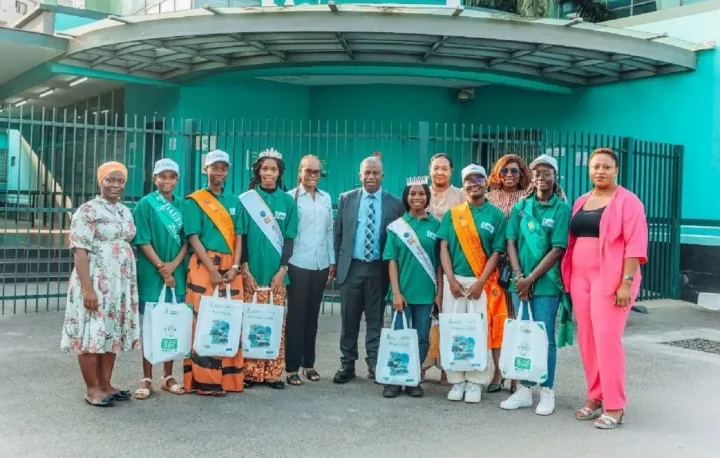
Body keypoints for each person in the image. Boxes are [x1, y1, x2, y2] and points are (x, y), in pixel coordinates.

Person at [562, 147, 648, 430]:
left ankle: (615, 405)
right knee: (587, 339)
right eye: (595, 166)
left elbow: (635, 245)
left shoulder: (628, 202)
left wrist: (625, 282)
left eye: (606, 167)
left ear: (616, 170)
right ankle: (595, 395)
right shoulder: (581, 200)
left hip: (611, 280)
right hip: (580, 278)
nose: (600, 171)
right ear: (589, 169)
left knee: (607, 341)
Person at [60, 161, 139, 407]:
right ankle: (92, 388)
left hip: (119, 284)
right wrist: (87, 288)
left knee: (110, 331)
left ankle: (106, 384)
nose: (115, 185)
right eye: (110, 180)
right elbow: (80, 251)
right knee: (91, 333)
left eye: (120, 181)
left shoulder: (125, 211)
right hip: (95, 280)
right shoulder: (87, 210)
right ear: (100, 181)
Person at [500, 154, 571, 416]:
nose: (542, 177)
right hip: (520, 284)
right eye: (537, 173)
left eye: (547, 172)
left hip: (547, 285)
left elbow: (557, 248)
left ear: (555, 176)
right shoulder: (522, 207)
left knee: (544, 338)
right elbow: (511, 242)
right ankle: (525, 390)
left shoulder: (561, 209)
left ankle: (547, 390)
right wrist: (519, 276)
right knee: (523, 335)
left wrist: (531, 278)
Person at [437, 163, 507, 403]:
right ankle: (457, 380)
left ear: (485, 183)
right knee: (454, 331)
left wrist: (481, 282)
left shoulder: (496, 215)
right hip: (454, 282)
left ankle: (476, 381)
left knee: (478, 332)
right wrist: (451, 280)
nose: (473, 184)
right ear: (463, 184)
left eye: (478, 179)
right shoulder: (453, 214)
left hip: (481, 283)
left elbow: (497, 252)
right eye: (469, 180)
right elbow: (443, 247)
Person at [333, 156, 405, 384]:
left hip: (378, 269)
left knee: (375, 320)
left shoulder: (395, 203)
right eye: (367, 173)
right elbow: (339, 234)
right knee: (349, 319)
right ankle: (347, 363)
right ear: (360, 176)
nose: (371, 177)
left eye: (375, 173)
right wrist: (336, 265)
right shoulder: (347, 199)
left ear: (382, 176)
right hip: (352, 267)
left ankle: (374, 364)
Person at [183, 150, 245, 397]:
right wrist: (212, 269)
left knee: (230, 319)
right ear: (205, 170)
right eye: (214, 168)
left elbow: (239, 235)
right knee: (204, 320)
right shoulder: (195, 200)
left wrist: (235, 267)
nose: (219, 172)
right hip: (203, 264)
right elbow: (193, 236)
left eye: (223, 168)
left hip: (231, 266)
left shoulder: (234, 201)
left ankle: (229, 379)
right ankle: (204, 381)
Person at [239, 148, 298, 390]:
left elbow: (290, 238)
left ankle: (272, 373)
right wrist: (245, 270)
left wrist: (283, 269)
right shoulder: (247, 200)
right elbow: (240, 236)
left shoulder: (288, 201)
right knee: (251, 321)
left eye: (273, 169)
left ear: (279, 173)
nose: (269, 173)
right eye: (265, 169)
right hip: (252, 273)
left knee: (275, 323)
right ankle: (251, 373)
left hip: (277, 275)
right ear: (258, 171)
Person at [132, 158, 188, 400]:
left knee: (172, 322)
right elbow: (142, 239)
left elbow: (189, 239)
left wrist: (174, 266)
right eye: (162, 176)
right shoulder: (145, 205)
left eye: (171, 176)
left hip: (177, 270)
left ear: (177, 179)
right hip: (152, 271)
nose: (167, 181)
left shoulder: (184, 205)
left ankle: (168, 375)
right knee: (151, 324)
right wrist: (162, 268)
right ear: (154, 178)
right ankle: (147, 376)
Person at [381, 176, 442, 398]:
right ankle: (395, 379)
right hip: (403, 293)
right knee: (399, 336)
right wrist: (396, 292)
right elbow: (392, 261)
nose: (417, 197)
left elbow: (438, 264)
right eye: (412, 194)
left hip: (426, 294)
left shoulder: (436, 225)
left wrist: (439, 293)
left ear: (427, 197)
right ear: (406, 198)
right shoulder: (397, 227)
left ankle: (413, 377)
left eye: (421, 194)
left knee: (422, 337)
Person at [285, 154, 335, 386]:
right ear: (300, 172)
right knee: (296, 317)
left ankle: (309, 364)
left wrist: (331, 261)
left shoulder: (325, 198)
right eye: (309, 171)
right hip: (297, 263)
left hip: (320, 264)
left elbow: (328, 232)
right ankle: (292, 367)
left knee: (312, 317)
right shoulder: (290, 198)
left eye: (317, 172)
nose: (313, 175)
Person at [486, 153, 532, 393]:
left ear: (522, 173)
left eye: (514, 171)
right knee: (497, 321)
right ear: (497, 174)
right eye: (504, 171)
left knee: (515, 321)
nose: (509, 176)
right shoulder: (488, 198)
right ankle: (498, 371)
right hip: (493, 266)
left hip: (517, 266)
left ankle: (515, 372)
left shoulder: (527, 198)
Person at [424, 153, 464, 385]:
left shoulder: (460, 195)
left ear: (451, 171)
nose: (440, 172)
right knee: (423, 314)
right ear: (430, 170)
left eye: (445, 169)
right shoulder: (420, 192)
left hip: (450, 259)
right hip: (423, 259)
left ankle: (446, 366)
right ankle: (423, 363)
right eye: (436, 168)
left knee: (446, 312)